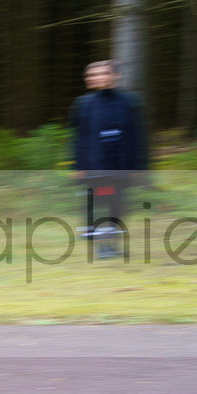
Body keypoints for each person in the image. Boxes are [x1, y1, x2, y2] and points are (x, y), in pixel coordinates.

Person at [69, 60, 148, 259]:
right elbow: (78, 137)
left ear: (115, 76)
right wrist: (76, 164)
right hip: (94, 164)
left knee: (117, 205)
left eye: (100, 74)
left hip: (121, 165)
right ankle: (101, 245)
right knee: (97, 204)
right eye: (90, 75)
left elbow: (138, 134)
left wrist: (140, 165)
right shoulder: (83, 104)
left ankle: (110, 243)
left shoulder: (129, 102)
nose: (93, 78)